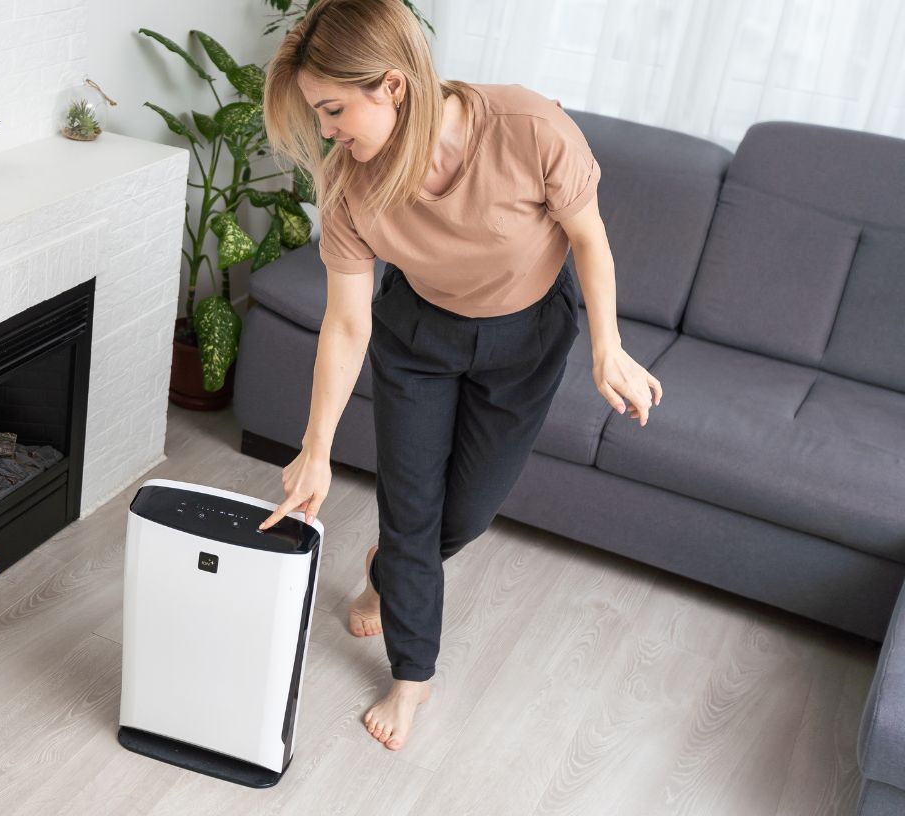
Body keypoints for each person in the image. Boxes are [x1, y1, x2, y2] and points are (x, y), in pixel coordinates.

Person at [254, 0, 663, 752]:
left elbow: (588, 238)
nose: (328, 131)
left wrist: (609, 346)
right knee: (410, 509)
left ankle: (386, 572)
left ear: (393, 87)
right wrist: (315, 446)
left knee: (462, 515)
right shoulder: (349, 185)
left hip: (527, 339)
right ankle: (413, 678)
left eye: (335, 108)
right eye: (319, 114)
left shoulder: (529, 128)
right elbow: (347, 323)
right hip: (419, 339)